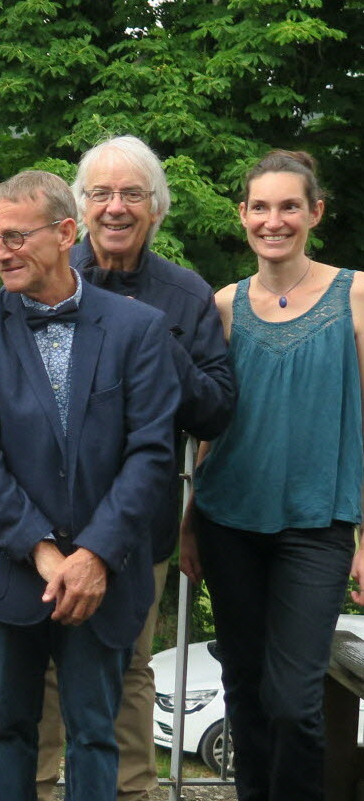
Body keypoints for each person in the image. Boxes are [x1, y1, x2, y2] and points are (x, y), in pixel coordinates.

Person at [0, 170, 178, 800]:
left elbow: (152, 453)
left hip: (104, 574)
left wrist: (94, 556)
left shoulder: (138, 328)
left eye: (15, 237)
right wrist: (44, 552)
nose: (0, 252)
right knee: (8, 729)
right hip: (10, 568)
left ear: (65, 233)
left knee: (95, 734)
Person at [34, 135, 235, 801]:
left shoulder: (183, 296)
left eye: (131, 195)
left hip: (134, 525)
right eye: (100, 193)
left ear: (155, 209)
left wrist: (151, 335)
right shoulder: (38, 272)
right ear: (78, 208)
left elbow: (213, 411)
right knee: (37, 672)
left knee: (124, 668)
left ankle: (128, 795)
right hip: (41, 520)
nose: (114, 207)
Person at [180, 150, 364, 801]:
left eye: (288, 205)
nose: (273, 219)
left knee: (294, 699)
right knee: (246, 694)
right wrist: (189, 522)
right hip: (228, 520)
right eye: (260, 206)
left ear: (313, 212)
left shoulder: (356, 294)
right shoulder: (223, 305)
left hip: (317, 525)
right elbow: (211, 427)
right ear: (242, 215)